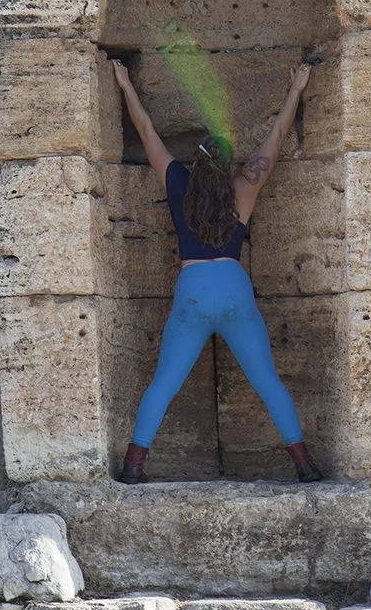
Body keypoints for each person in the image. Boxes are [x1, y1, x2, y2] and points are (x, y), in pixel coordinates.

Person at [110, 58, 323, 485]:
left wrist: (125, 85)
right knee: (267, 381)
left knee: (163, 383)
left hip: (192, 288)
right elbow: (276, 139)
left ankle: (134, 465)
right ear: (227, 166)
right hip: (233, 288)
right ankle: (303, 463)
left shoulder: (177, 184)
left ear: (196, 161)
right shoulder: (244, 186)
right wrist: (296, 89)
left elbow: (146, 131)